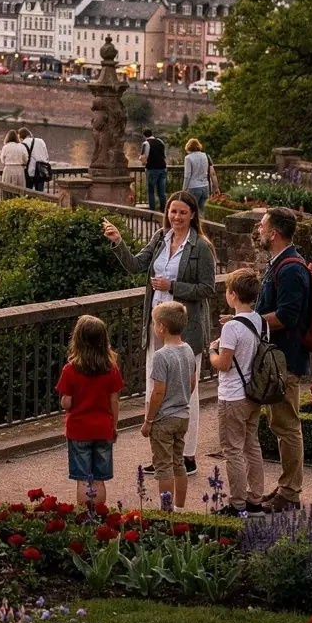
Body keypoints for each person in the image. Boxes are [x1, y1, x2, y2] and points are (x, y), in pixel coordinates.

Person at [102, 191, 215, 477]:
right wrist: (118, 242)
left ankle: (187, 456)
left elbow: (207, 288)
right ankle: (162, 453)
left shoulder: (200, 247)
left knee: (186, 392)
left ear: (192, 215)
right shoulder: (160, 238)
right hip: (157, 326)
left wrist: (172, 285)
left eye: (182, 212)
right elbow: (135, 265)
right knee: (155, 388)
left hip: (185, 330)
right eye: (172, 212)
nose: (176, 217)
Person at [255, 207, 311, 513]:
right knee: (281, 424)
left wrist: (251, 323)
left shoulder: (290, 268)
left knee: (287, 425)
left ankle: (290, 492)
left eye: (263, 226)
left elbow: (287, 316)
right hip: (279, 358)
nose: (259, 230)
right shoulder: (282, 263)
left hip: (286, 359)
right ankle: (286, 485)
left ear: (274, 233)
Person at [208, 268, 266, 516]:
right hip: (254, 393)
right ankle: (255, 499)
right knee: (252, 446)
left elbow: (224, 363)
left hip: (233, 395)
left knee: (232, 450)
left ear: (232, 295)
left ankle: (237, 503)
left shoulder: (232, 328)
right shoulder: (259, 320)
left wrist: (212, 351)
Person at [56, 314, 124, 507]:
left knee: (84, 479)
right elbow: (114, 401)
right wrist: (114, 426)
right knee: (99, 479)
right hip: (103, 428)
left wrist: (66, 400)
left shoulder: (70, 370)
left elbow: (67, 402)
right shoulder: (111, 369)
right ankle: (101, 515)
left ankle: (84, 516)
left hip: (79, 429)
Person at [141, 302, 196, 508]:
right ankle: (180, 507)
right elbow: (192, 382)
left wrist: (149, 420)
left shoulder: (161, 356)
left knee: (163, 466)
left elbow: (158, 392)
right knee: (178, 462)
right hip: (183, 415)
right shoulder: (188, 349)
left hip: (164, 418)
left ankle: (166, 511)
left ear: (162, 327)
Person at [182, 138, 218, 213]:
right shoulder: (206, 156)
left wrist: (184, 189)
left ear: (188, 147)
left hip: (193, 187)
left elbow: (187, 176)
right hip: (205, 187)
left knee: (191, 211)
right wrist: (216, 187)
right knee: (202, 211)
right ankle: (203, 224)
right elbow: (213, 173)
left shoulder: (188, 158)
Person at [140, 128, 168, 211]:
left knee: (151, 191)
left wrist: (143, 163)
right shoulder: (160, 141)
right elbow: (163, 155)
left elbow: (144, 157)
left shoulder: (146, 143)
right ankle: (163, 210)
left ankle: (152, 212)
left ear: (144, 135)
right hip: (163, 168)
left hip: (152, 169)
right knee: (162, 192)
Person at [18, 126, 50, 192]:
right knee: (40, 194)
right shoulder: (41, 141)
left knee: (28, 193)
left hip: (30, 172)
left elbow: (23, 159)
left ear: (20, 137)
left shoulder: (23, 144)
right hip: (42, 171)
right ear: (29, 134)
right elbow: (46, 156)